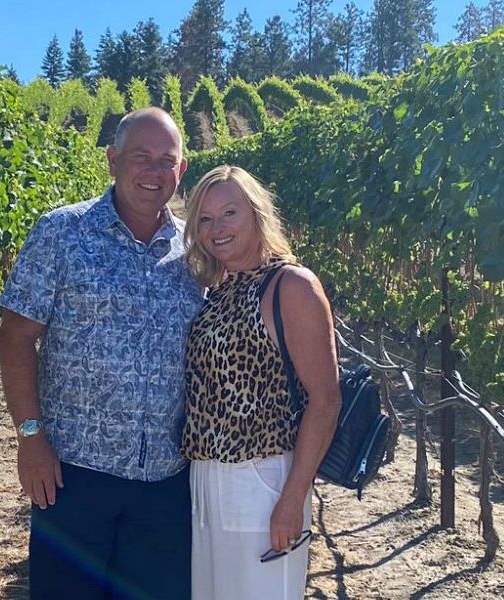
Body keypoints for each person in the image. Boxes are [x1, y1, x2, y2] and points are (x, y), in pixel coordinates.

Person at [0, 107, 205, 600]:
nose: (154, 172)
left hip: (166, 481)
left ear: (182, 171)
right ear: (112, 161)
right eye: (140, 156)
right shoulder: (61, 232)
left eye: (166, 160)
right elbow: (15, 337)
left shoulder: (196, 250)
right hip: (72, 476)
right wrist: (30, 438)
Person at [179, 166, 340, 599]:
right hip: (207, 477)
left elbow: (325, 401)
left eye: (229, 213)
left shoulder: (291, 285)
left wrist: (292, 499)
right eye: (206, 220)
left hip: (263, 479)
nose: (217, 229)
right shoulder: (221, 288)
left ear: (256, 213)